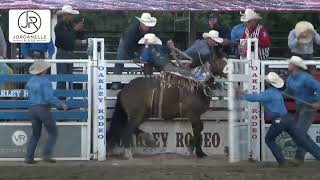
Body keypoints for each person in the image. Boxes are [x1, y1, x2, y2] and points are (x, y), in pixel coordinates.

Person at [240, 72, 320, 167]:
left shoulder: (268, 94)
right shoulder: (276, 93)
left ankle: (282, 162)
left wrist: (243, 95)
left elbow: (255, 98)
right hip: (288, 119)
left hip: (279, 121)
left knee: (269, 139)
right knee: (302, 139)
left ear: (268, 83)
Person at [25, 60, 68, 164]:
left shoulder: (30, 81)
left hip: (32, 109)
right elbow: (49, 98)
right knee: (53, 132)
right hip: (43, 109)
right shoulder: (46, 81)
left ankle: (29, 158)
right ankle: (46, 154)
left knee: (35, 134)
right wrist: (61, 104)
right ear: (43, 70)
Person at [283, 56, 320, 165]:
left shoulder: (306, 78)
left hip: (309, 107)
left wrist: (318, 102)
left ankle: (301, 157)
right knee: (299, 133)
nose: (288, 65)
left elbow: (318, 88)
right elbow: (288, 92)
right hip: (301, 107)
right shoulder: (290, 78)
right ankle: (301, 157)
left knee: (299, 133)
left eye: (290, 63)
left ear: (295, 66)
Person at [112, 13, 157, 90]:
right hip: (126, 43)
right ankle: (116, 82)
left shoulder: (151, 31)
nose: (147, 26)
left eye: (148, 24)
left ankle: (149, 79)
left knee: (149, 56)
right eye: (145, 24)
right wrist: (133, 57)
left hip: (141, 43)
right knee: (120, 59)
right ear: (141, 23)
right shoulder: (131, 31)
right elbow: (127, 46)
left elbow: (152, 42)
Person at [54, 5, 85, 90]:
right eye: (70, 15)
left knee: (69, 77)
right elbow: (66, 39)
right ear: (65, 15)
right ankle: (60, 99)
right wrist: (75, 30)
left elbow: (77, 38)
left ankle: (67, 98)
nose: (72, 17)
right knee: (62, 78)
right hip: (62, 53)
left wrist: (81, 30)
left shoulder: (70, 25)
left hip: (69, 53)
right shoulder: (58, 27)